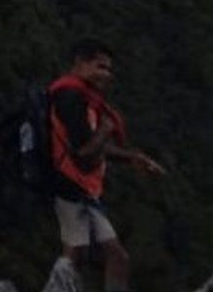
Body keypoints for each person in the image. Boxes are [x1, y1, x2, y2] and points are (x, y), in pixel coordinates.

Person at [47, 39, 166, 292]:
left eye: (109, 70)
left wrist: (134, 157)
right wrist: (104, 129)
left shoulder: (84, 98)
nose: (106, 75)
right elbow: (84, 151)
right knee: (109, 258)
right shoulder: (70, 97)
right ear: (80, 63)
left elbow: (92, 146)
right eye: (100, 67)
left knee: (79, 259)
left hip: (79, 188)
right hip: (71, 187)